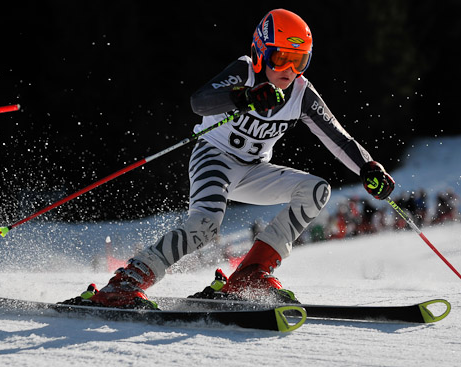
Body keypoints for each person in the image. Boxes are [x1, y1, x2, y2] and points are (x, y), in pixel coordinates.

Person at [79, 9, 395, 308]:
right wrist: (243, 96)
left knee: (316, 190)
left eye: (299, 61)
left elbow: (338, 138)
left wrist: (369, 167)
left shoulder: (301, 93)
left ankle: (251, 275)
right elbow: (199, 102)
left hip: (253, 171)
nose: (289, 71)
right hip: (213, 158)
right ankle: (127, 281)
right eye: (281, 58)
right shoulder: (244, 70)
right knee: (204, 226)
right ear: (261, 53)